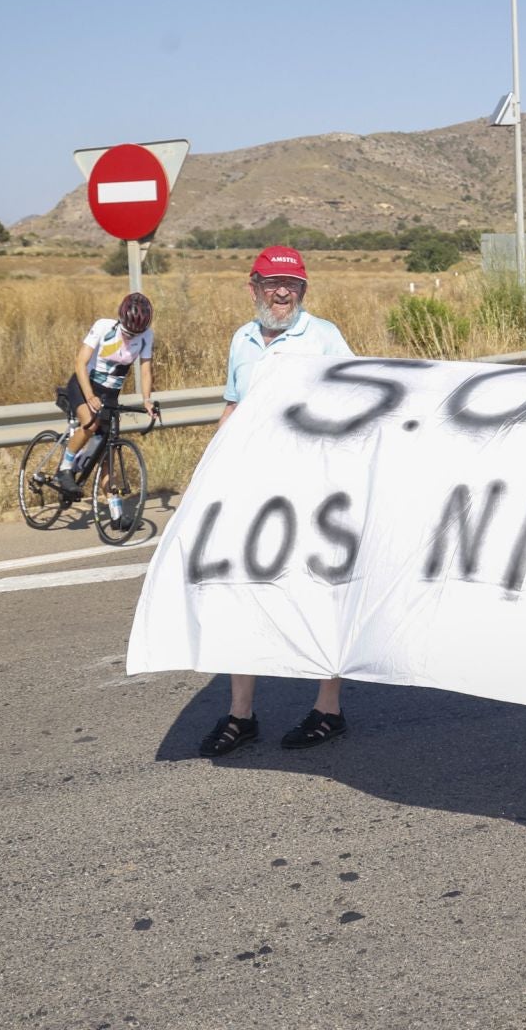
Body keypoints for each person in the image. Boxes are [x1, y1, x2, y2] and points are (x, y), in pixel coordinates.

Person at [198, 245, 358, 759]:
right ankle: (240, 716)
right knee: (241, 593)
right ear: (254, 288)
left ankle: (328, 710)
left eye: (292, 285)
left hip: (312, 489)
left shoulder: (324, 337)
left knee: (322, 594)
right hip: (253, 488)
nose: (282, 293)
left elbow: (358, 398)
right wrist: (206, 473)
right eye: (272, 284)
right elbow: (233, 407)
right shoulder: (241, 340)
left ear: (303, 290)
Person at [56, 292, 158, 498]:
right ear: (121, 320)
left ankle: (115, 509)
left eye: (135, 334)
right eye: (127, 332)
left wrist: (147, 400)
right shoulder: (103, 326)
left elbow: (146, 370)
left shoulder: (147, 336)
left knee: (107, 454)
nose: (131, 337)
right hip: (84, 385)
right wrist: (89, 396)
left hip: (110, 395)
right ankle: (64, 468)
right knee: (91, 423)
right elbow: (80, 363)